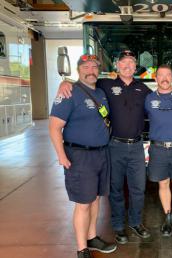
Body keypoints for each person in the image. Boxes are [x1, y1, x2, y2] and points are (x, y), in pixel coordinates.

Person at [57, 50, 152, 244]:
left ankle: (135, 223)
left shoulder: (143, 89)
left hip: (136, 147)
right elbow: (83, 83)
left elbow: (160, 99)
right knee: (115, 189)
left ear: (136, 67)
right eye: (123, 63)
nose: (127, 66)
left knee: (138, 189)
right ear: (117, 66)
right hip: (113, 146)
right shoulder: (104, 85)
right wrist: (64, 82)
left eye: (131, 63)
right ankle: (118, 227)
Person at [49, 54, 117, 258]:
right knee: (83, 203)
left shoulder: (101, 93)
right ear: (79, 70)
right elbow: (54, 127)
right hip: (79, 156)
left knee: (95, 200)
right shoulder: (69, 93)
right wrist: (61, 155)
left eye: (94, 67)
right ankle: (81, 249)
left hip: (100, 154)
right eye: (86, 67)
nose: (91, 70)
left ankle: (92, 237)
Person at [144, 64, 172, 238]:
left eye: (168, 75)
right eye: (161, 75)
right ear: (156, 79)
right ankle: (168, 219)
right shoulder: (148, 99)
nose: (164, 78)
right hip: (157, 149)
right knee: (163, 184)